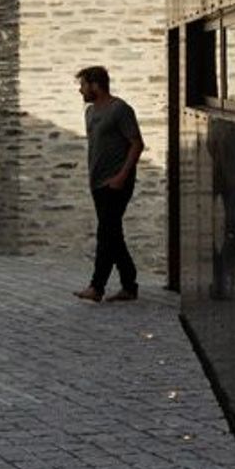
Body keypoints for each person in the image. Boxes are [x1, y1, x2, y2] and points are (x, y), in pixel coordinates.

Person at [74, 65, 144, 302]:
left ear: (96, 85)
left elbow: (136, 144)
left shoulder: (120, 110)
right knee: (113, 234)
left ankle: (97, 287)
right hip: (97, 182)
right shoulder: (90, 112)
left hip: (116, 183)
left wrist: (122, 176)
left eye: (83, 85)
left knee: (106, 233)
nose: (80, 90)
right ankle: (129, 284)